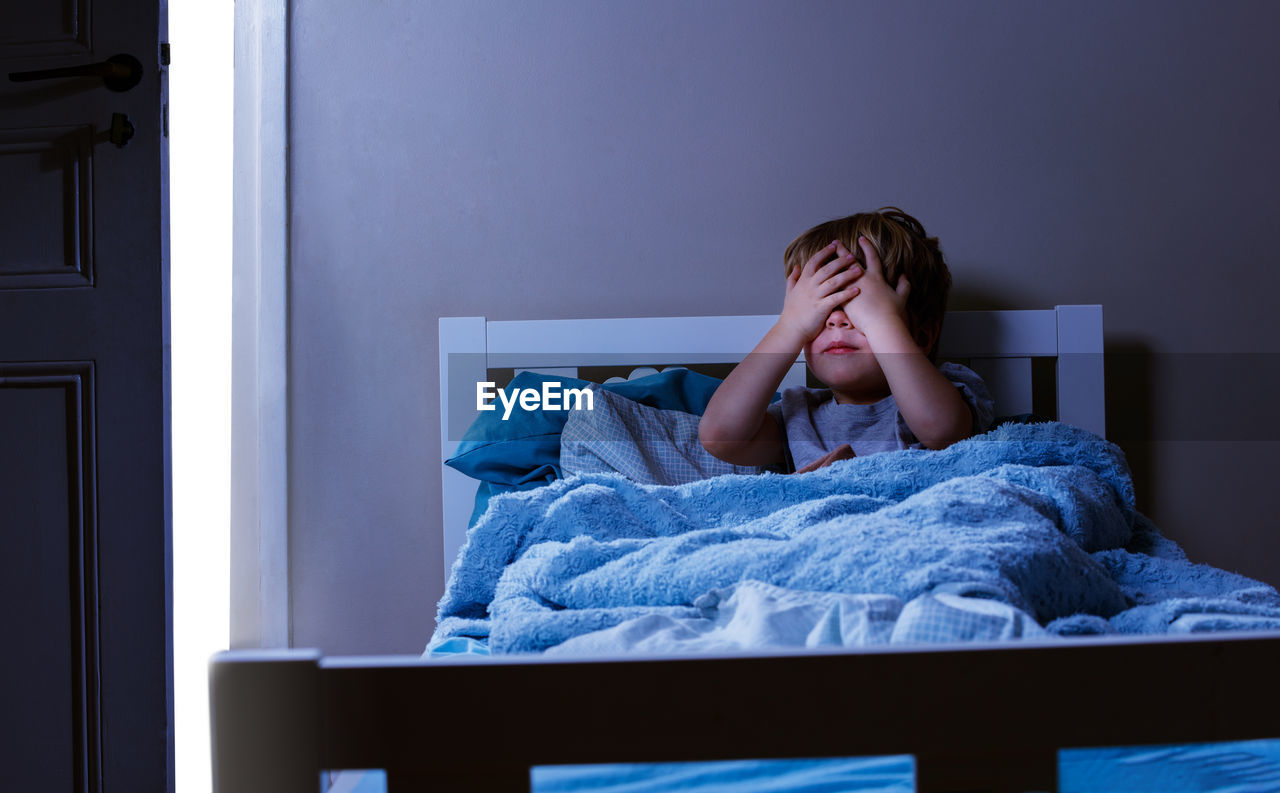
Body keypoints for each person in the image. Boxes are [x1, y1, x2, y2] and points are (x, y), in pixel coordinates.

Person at [698, 207, 993, 473]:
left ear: (921, 336)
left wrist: (881, 321)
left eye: (860, 308)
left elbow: (942, 431)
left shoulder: (951, 390)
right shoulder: (800, 417)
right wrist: (790, 326)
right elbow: (720, 436)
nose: (836, 320)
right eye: (821, 310)